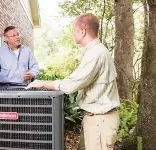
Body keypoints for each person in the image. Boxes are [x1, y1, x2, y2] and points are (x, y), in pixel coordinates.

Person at [26, 13, 120, 150]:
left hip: (101, 121)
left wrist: (42, 83)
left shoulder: (96, 53)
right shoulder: (94, 51)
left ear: (82, 31)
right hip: (94, 118)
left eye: (74, 30)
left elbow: (71, 84)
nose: (72, 34)